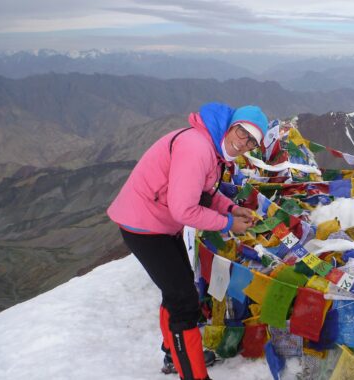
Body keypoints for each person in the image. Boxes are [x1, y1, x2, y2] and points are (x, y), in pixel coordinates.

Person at [107, 102, 269, 380]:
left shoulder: (212, 148)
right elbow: (184, 210)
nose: (244, 143)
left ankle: (175, 353)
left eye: (252, 141)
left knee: (180, 291)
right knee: (183, 301)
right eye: (243, 132)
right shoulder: (197, 149)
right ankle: (193, 373)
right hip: (144, 226)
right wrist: (229, 224)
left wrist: (230, 209)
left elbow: (204, 192)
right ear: (232, 125)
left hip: (158, 224)